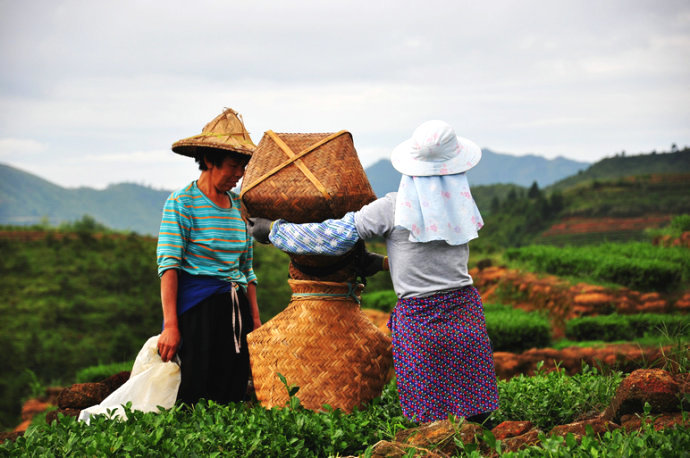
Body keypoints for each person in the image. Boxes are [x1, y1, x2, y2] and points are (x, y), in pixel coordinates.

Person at [249, 120, 499, 423]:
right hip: (464, 315)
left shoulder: (393, 207)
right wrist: (381, 262)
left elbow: (332, 238)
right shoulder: (461, 206)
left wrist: (275, 230)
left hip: (419, 321)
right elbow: (431, 257)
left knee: (427, 422)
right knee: (476, 416)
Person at [156, 108, 262, 405]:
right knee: (196, 389)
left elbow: (247, 270)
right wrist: (170, 325)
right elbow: (169, 266)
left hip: (235, 310)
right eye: (233, 166)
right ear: (211, 159)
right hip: (197, 310)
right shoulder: (182, 202)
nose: (239, 175)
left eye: (243, 167)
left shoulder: (240, 206)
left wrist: (255, 321)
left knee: (232, 388)